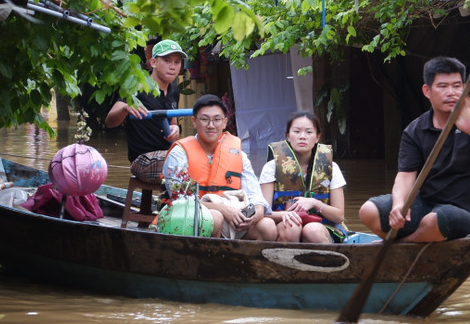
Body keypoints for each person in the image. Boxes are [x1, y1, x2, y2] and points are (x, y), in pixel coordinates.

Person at [359, 56, 470, 242]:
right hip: (428, 205)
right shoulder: (415, 130)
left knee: (435, 221)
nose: (451, 92)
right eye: (443, 86)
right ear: (427, 91)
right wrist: (399, 204)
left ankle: (402, 245)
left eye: (457, 86)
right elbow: (405, 176)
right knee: (368, 211)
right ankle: (419, 240)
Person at [162, 94, 278, 241]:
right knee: (215, 218)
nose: (211, 125)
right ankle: (213, 261)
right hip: (190, 218)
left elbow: (256, 196)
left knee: (267, 226)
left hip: (234, 218)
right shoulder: (179, 154)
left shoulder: (239, 154)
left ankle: (249, 262)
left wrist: (257, 212)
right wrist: (222, 209)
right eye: (204, 119)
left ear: (224, 123)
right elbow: (181, 201)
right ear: (194, 122)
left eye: (217, 120)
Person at [260, 111, 348, 243]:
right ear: (288, 136)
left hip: (322, 227)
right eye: (296, 131)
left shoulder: (331, 167)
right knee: (292, 226)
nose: (302, 137)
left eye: (308, 132)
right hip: (284, 223)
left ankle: (326, 261)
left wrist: (315, 203)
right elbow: (263, 212)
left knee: (312, 230)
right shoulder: (271, 167)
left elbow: (339, 216)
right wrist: (286, 214)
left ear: (317, 137)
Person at [103, 39, 185, 163]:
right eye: (167, 60)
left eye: (177, 62)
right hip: (143, 158)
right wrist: (126, 108)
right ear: (153, 62)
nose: (172, 66)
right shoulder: (137, 85)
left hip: (166, 155)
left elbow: (172, 122)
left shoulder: (174, 91)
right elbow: (109, 122)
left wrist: (175, 129)